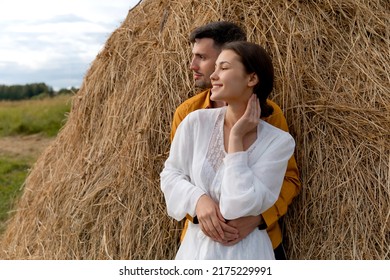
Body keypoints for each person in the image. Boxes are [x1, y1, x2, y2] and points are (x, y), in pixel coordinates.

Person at [169, 21, 301, 259]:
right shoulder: (190, 116)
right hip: (199, 245)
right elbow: (175, 173)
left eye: (203, 58)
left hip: (255, 242)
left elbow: (288, 179)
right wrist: (199, 204)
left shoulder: (272, 120)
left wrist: (258, 218)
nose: (195, 66)